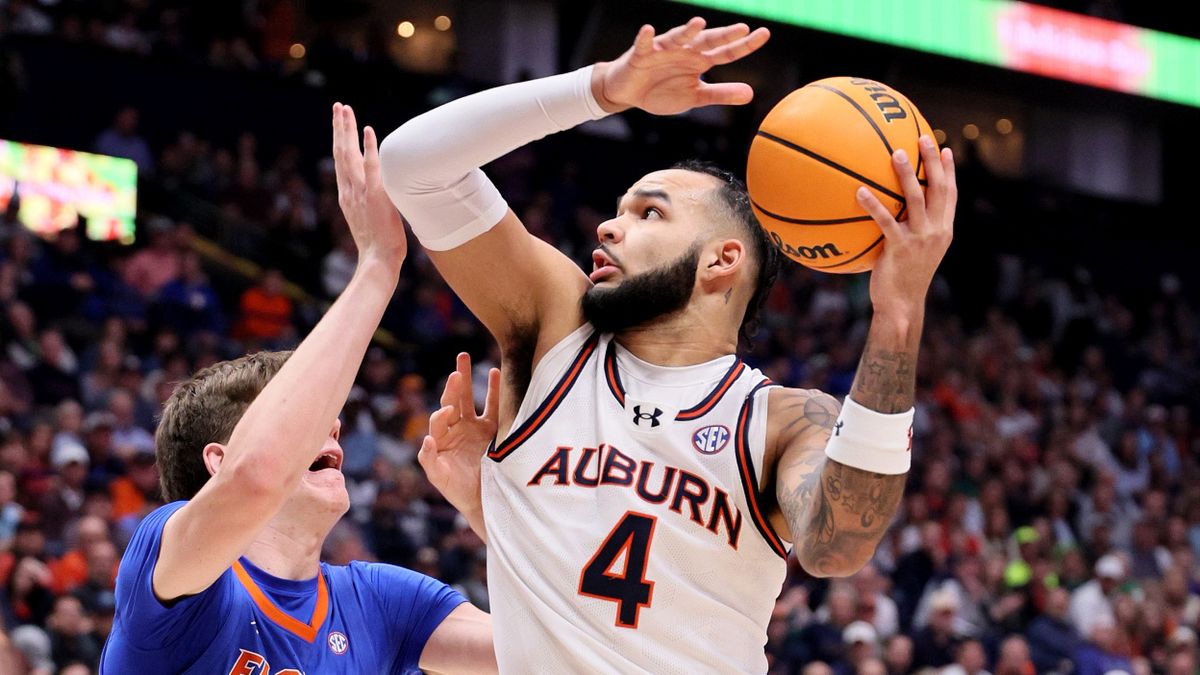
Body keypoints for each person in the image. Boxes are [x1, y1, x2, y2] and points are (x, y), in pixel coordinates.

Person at [383, 15, 956, 673]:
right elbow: (414, 166)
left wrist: (899, 313)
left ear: (721, 261)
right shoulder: (557, 340)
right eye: (620, 209)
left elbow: (837, 548)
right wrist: (601, 89)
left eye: (647, 212)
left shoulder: (782, 421)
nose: (607, 224)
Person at [98, 104, 496, 674]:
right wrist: (379, 265)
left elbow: (568, 650)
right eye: (307, 414)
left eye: (330, 414)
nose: (331, 422)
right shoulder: (166, 558)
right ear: (218, 458)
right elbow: (256, 477)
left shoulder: (385, 601)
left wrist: (489, 511)